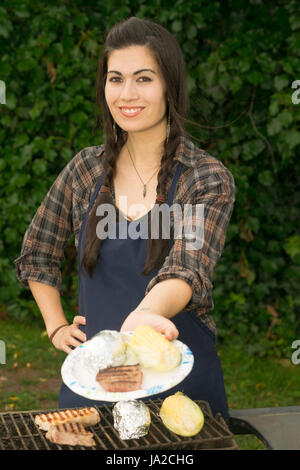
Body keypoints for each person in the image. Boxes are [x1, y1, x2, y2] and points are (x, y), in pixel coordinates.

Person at [14, 17, 235, 420]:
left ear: (170, 85)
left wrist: (145, 316)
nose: (127, 94)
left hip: (181, 392)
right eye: (116, 79)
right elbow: (37, 252)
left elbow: (188, 267)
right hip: (94, 387)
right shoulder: (85, 170)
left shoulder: (205, 178)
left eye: (144, 79)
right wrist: (56, 326)